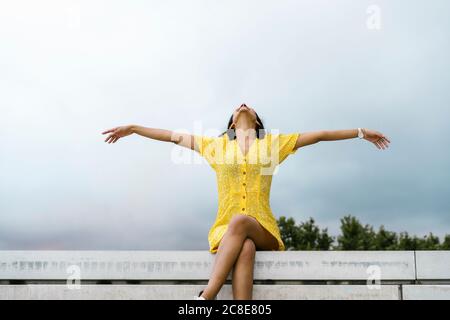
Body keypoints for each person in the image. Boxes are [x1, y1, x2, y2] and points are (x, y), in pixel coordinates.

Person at [101, 103, 390, 300]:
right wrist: (135, 128)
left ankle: (207, 297)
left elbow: (320, 136)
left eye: (249, 106)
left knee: (242, 225)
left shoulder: (273, 144)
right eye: (238, 106)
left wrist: (362, 133)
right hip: (226, 232)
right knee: (245, 245)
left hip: (262, 227)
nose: (243, 104)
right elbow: (172, 137)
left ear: (257, 121)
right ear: (230, 123)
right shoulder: (215, 146)